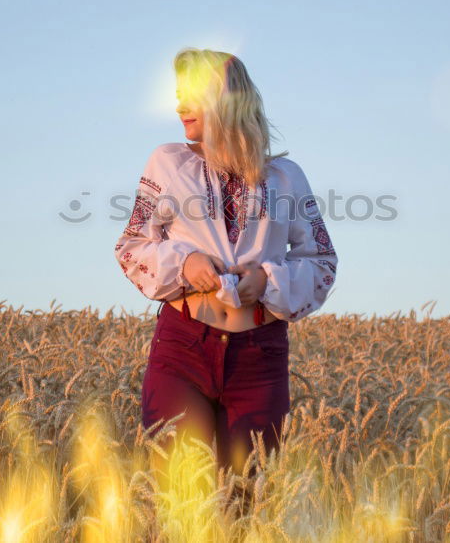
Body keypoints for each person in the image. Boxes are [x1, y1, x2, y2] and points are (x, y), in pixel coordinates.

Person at [114, 47, 339, 513]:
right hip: (182, 349)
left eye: (191, 96)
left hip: (259, 358)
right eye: (177, 97)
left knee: (245, 507)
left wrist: (267, 280)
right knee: (182, 502)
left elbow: (322, 261)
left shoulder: (286, 177)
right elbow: (132, 245)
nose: (179, 107)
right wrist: (184, 261)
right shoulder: (167, 162)